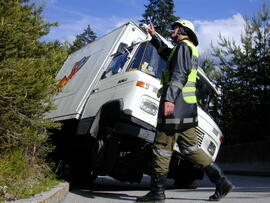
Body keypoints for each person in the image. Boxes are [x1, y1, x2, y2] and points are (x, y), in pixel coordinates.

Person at [136, 19, 233, 202]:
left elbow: (179, 73)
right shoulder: (185, 48)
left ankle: (157, 193)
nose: (172, 30)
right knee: (191, 149)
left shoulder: (183, 47)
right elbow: (167, 55)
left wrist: (170, 98)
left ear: (182, 30)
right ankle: (222, 182)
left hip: (175, 107)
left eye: (174, 28)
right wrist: (154, 36)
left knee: (161, 148)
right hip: (187, 110)